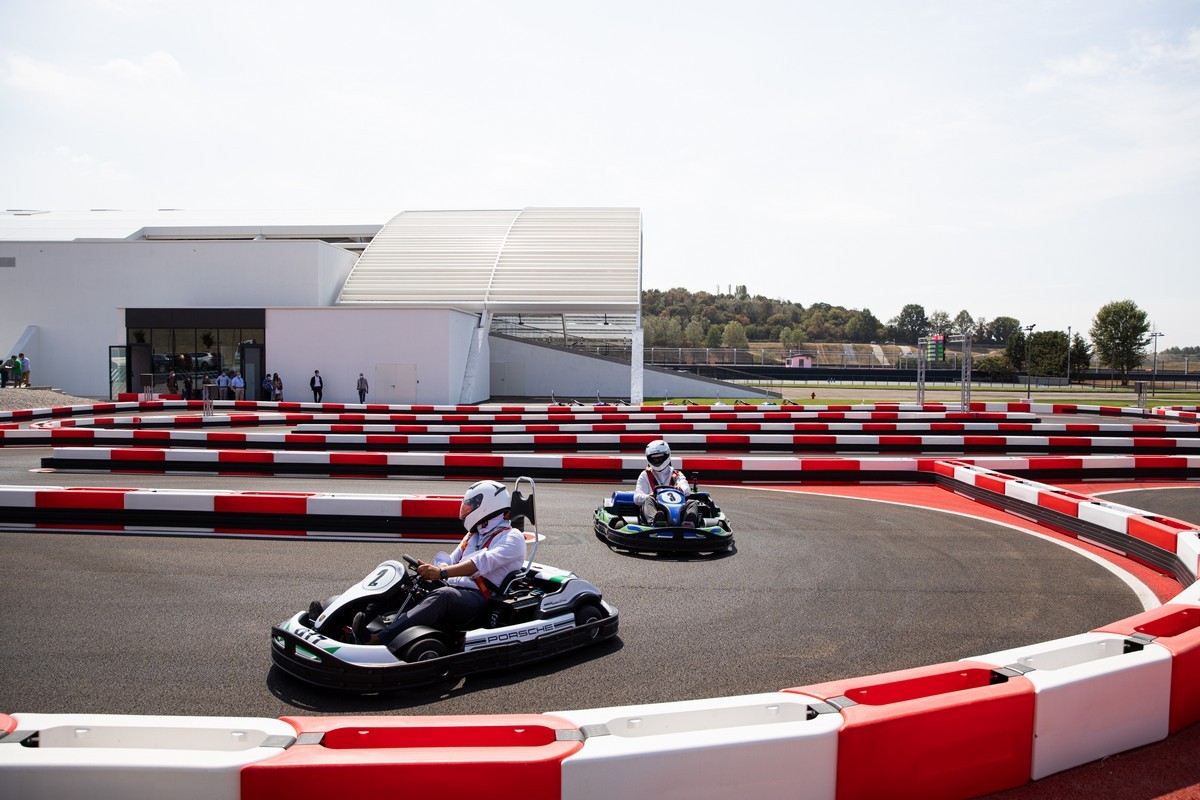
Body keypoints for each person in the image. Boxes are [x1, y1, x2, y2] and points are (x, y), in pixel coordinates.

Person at [352, 479, 527, 647]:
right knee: (405, 581)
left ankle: (380, 639)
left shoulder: (512, 537)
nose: (467, 509)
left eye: (471, 505)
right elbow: (452, 560)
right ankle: (355, 619)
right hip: (454, 588)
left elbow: (479, 563)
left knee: (444, 596)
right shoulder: (475, 534)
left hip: (480, 597)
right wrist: (434, 570)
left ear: (488, 505)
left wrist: (441, 573)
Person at [633, 439, 699, 526]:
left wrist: (681, 489)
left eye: (659, 457)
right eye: (654, 458)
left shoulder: (676, 474)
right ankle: (656, 521)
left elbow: (686, 488)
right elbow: (637, 498)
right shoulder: (645, 475)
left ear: (667, 456)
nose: (657, 461)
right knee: (648, 500)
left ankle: (688, 521)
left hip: (677, 508)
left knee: (692, 502)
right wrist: (650, 495)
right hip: (656, 507)